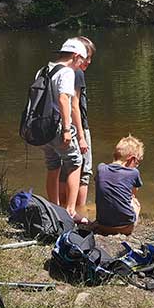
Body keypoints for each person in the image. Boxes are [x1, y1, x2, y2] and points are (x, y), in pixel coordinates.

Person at [38, 38, 87, 221]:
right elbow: (64, 99)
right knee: (75, 162)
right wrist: (67, 128)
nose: (81, 65)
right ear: (75, 57)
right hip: (57, 126)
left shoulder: (43, 70)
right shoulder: (67, 72)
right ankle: (70, 211)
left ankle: (53, 208)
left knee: (52, 165)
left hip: (42, 128)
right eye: (81, 61)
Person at [59, 36, 96, 218]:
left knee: (63, 170)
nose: (88, 61)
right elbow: (74, 105)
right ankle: (78, 212)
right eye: (87, 56)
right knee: (84, 171)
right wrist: (81, 136)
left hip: (60, 128)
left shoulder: (58, 70)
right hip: (78, 127)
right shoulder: (77, 73)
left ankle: (61, 208)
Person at [93, 135, 144, 236]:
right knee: (135, 203)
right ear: (132, 159)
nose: (136, 166)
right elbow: (133, 194)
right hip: (125, 227)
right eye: (137, 163)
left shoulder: (101, 168)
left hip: (102, 225)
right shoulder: (133, 172)